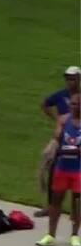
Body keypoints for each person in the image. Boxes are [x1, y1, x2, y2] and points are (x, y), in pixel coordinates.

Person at [37, 91, 81, 246]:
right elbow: (56, 141)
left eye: (78, 104)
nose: (75, 107)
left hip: (78, 170)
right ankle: (50, 235)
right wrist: (47, 161)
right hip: (62, 168)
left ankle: (75, 235)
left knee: (77, 203)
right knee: (56, 202)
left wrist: (64, 151)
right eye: (73, 104)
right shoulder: (64, 120)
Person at [36, 66, 80, 216]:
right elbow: (45, 104)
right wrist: (57, 120)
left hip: (78, 140)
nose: (69, 81)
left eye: (73, 78)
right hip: (61, 138)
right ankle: (50, 206)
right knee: (53, 169)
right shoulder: (61, 95)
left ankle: (76, 211)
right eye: (67, 78)